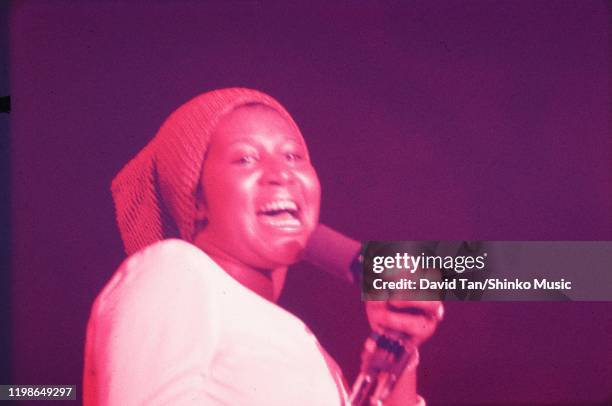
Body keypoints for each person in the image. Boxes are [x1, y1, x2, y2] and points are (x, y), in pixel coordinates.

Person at [83, 88, 443, 405]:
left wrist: (396, 349)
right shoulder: (173, 269)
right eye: (246, 158)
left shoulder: (309, 350)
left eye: (293, 156)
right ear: (197, 201)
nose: (282, 174)